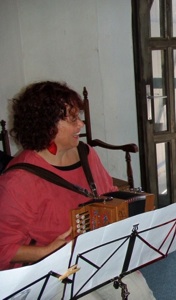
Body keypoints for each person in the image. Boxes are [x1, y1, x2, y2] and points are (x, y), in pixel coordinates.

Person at [0, 81, 155, 299]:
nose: (81, 124)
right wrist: (46, 252)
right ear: (48, 125)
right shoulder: (18, 180)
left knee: (140, 295)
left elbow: (108, 195)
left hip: (96, 254)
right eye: (73, 119)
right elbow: (4, 247)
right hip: (50, 270)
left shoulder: (87, 154)